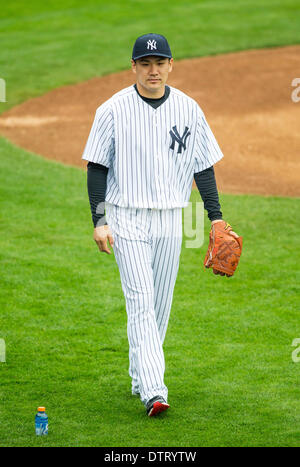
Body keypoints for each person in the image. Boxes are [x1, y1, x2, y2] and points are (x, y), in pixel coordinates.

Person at [82, 33, 237, 417]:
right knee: (140, 302)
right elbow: (97, 168)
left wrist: (215, 217)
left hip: (172, 218)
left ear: (171, 65)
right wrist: (99, 221)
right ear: (133, 66)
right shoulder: (112, 110)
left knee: (160, 306)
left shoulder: (189, 109)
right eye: (145, 63)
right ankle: (154, 389)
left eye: (160, 63)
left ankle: (140, 375)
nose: (153, 70)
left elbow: (203, 165)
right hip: (126, 215)